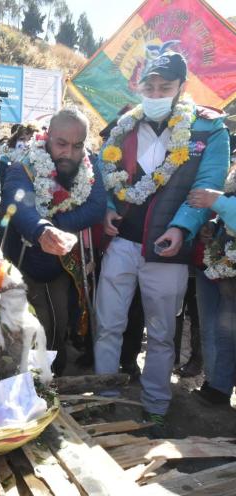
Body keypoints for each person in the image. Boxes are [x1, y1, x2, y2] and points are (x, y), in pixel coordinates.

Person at [94, 50, 230, 437]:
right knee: (108, 325)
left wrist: (183, 228)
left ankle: (155, 405)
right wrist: (106, 208)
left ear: (181, 88)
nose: (155, 92)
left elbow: (207, 188)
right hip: (121, 244)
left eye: (164, 86)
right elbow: (106, 173)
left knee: (160, 335)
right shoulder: (123, 126)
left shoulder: (209, 130)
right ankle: (104, 399)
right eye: (148, 86)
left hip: (167, 253)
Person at [1, 107, 106, 376]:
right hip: (27, 258)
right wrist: (41, 230)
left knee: (60, 322)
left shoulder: (89, 165)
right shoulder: (24, 162)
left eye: (77, 145)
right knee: (35, 324)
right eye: (61, 144)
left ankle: (54, 373)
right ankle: (27, 376)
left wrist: (57, 227)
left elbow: (96, 206)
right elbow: (17, 202)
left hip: (63, 264)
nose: (68, 153)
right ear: (47, 136)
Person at [188, 164, 236, 405]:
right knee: (220, 330)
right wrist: (214, 225)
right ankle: (218, 384)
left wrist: (218, 202)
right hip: (219, 261)